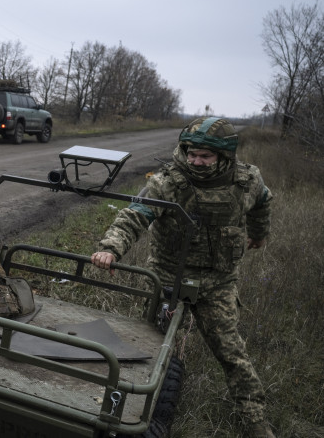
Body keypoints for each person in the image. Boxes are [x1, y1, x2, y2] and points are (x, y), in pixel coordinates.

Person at [90, 117, 275, 438]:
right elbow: (135, 214)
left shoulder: (246, 181)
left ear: (224, 157)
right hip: (169, 280)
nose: (195, 161)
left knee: (231, 352)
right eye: (191, 153)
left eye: (205, 156)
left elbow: (262, 203)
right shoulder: (168, 182)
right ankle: (144, 411)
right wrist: (111, 248)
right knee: (157, 347)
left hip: (218, 282)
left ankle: (254, 418)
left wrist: (259, 233)